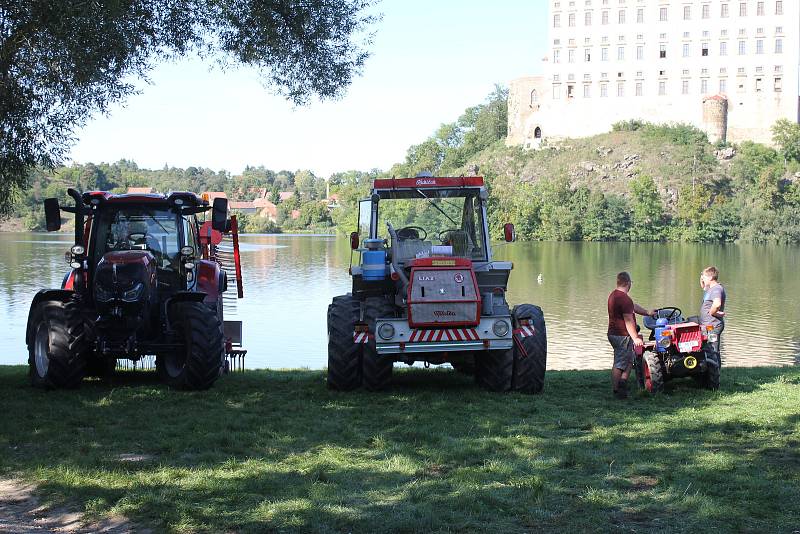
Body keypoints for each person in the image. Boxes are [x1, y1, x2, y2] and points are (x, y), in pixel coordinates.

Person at [607, 271, 655, 399]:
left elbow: (632, 307)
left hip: (614, 334)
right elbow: (628, 321)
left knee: (628, 359)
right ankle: (617, 391)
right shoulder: (624, 298)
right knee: (619, 363)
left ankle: (623, 383)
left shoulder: (614, 295)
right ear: (628, 283)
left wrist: (647, 312)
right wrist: (635, 338)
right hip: (622, 335)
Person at [700, 266, 726, 368]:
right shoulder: (710, 289)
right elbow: (703, 286)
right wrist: (701, 277)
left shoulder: (716, 289)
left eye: (705, 277)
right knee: (709, 348)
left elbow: (717, 304)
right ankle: (710, 371)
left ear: (710, 278)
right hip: (708, 325)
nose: (703, 279)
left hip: (713, 325)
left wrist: (712, 313)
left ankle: (716, 373)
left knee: (713, 350)